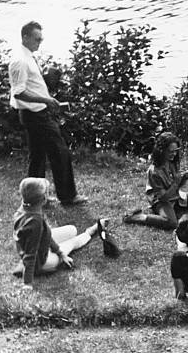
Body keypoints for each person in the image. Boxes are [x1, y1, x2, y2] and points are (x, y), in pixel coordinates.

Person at [8, 21, 87, 206]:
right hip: (35, 115)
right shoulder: (20, 60)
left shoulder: (27, 56)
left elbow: (27, 86)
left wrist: (45, 81)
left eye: (41, 39)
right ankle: (68, 196)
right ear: (25, 37)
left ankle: (35, 198)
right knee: (60, 153)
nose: (39, 42)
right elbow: (18, 92)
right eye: (37, 39)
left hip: (33, 114)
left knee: (37, 156)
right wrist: (47, 100)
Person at [12, 178, 113, 289]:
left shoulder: (25, 208)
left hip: (39, 245)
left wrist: (58, 251)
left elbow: (46, 235)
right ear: (43, 199)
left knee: (72, 230)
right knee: (73, 243)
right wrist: (27, 284)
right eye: (47, 192)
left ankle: (56, 251)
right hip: (41, 261)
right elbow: (30, 255)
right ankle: (91, 231)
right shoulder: (35, 222)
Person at [123, 132, 188, 229]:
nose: (174, 154)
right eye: (170, 151)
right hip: (160, 201)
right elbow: (163, 198)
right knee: (172, 223)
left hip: (175, 197)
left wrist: (183, 180)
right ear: (161, 151)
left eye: (176, 151)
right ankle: (139, 217)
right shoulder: (154, 171)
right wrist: (176, 182)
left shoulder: (172, 162)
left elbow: (177, 187)